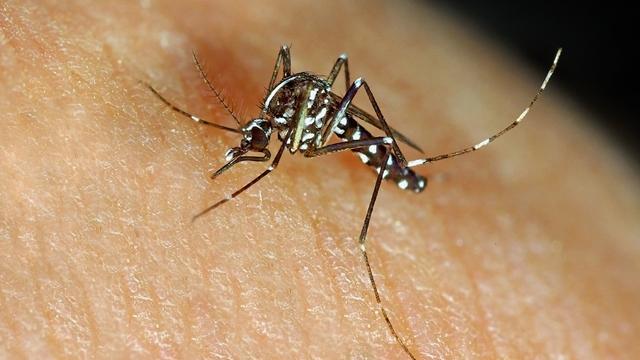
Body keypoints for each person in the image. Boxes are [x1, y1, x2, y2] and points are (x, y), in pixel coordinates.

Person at [1, 0, 638, 358]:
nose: (252, 146)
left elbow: (290, 132)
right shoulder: (268, 120)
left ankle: (401, 171)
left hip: (350, 130)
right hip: (310, 109)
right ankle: (394, 150)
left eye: (251, 140)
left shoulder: (282, 141)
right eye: (249, 140)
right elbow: (277, 113)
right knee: (328, 79)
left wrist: (377, 146)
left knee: (344, 82)